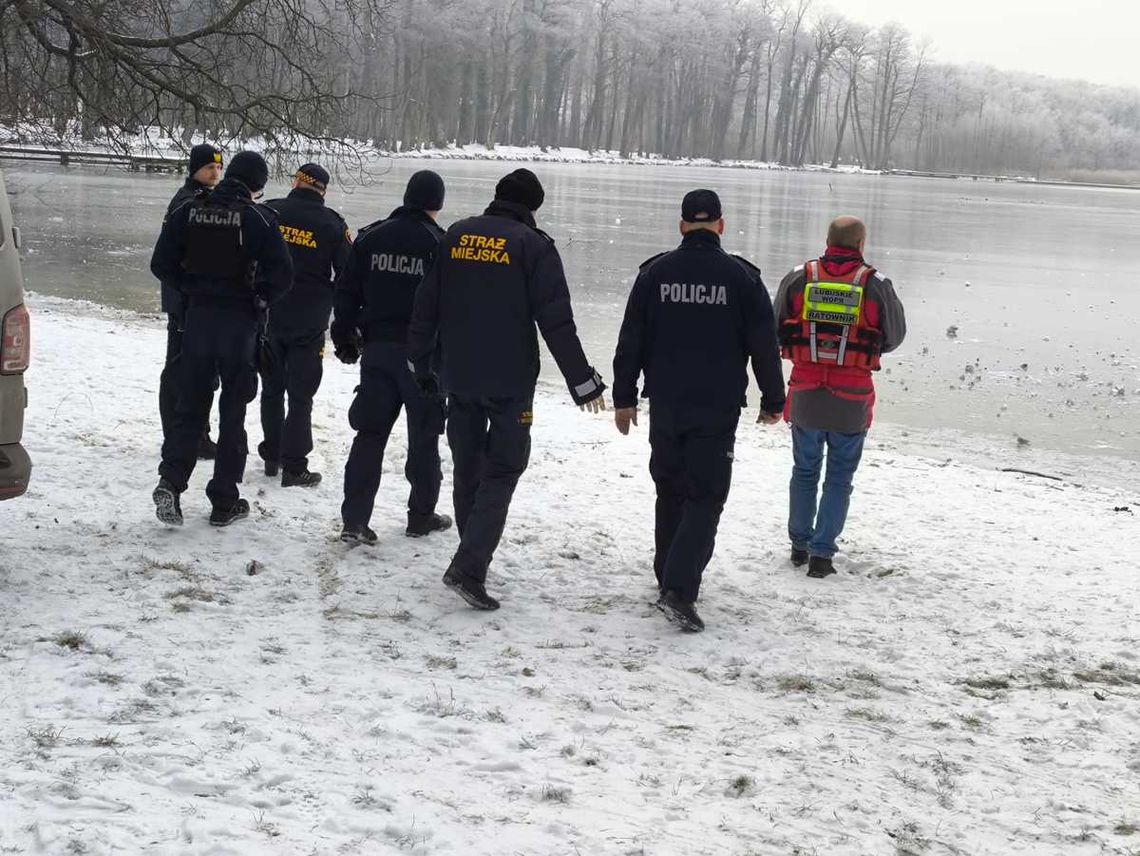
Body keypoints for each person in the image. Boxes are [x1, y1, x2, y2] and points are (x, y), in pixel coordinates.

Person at [408, 168, 607, 611]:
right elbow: (556, 322)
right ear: (533, 206)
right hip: (509, 381)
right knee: (502, 470)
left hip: (457, 373)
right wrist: (583, 383)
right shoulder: (534, 246)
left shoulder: (457, 235)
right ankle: (469, 565)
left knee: (467, 465)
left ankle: (470, 553)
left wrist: (419, 361)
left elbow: (427, 303)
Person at [612, 189, 786, 632]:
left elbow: (631, 339)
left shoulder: (654, 274)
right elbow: (763, 346)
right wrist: (773, 401)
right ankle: (679, 589)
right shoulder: (743, 278)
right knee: (706, 497)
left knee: (670, 489)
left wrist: (624, 397)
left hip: (667, 403)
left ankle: (667, 576)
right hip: (717, 406)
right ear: (721, 226)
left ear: (682, 225)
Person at [150, 151, 293, 527]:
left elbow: (160, 263)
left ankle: (171, 481)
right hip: (239, 326)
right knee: (233, 414)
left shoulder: (189, 211)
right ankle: (224, 501)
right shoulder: (260, 219)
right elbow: (283, 275)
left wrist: (190, 290)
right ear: (257, 184)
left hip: (197, 321)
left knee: (190, 408)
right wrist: (259, 297)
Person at [774, 215, 906, 578]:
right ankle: (821, 556)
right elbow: (893, 337)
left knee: (804, 471)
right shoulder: (875, 284)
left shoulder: (800, 277)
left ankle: (798, 546)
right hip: (851, 399)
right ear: (861, 245)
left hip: (805, 395)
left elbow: (776, 328)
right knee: (838, 478)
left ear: (827, 240)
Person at [331, 170, 452, 544]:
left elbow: (346, 292)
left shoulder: (371, 237)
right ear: (437, 203)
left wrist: (344, 337)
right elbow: (453, 305)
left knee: (369, 435)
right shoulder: (441, 244)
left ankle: (354, 520)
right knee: (424, 438)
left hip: (378, 350)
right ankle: (420, 516)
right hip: (424, 359)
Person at [257, 163, 351, 486]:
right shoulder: (333, 224)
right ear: (323, 190)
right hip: (309, 320)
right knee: (300, 396)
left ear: (296, 182)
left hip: (269, 312)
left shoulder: (271, 212)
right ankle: (294, 465)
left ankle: (272, 455)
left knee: (271, 388)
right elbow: (347, 275)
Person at [158, 143, 223, 459]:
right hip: (185, 302)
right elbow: (173, 259)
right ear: (194, 169)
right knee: (180, 370)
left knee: (198, 371)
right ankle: (178, 434)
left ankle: (196, 434)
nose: (215, 172)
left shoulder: (201, 201)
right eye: (209, 167)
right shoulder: (186, 203)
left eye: (218, 167)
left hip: (193, 301)